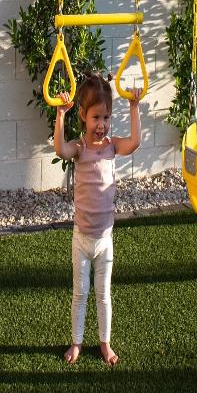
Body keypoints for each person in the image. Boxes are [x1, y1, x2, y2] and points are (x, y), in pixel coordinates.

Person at [53, 73, 142, 366]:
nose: (101, 124)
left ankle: (105, 343)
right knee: (80, 295)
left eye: (106, 117)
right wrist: (60, 115)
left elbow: (135, 142)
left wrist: (134, 107)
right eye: (95, 117)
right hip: (81, 239)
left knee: (103, 295)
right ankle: (76, 343)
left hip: (105, 240)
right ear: (83, 116)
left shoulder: (112, 146)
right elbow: (59, 149)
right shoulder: (79, 149)